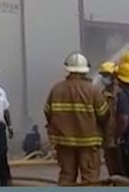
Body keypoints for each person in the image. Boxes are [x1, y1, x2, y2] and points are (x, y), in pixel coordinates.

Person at [44, 52, 109, 186]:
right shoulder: (93, 90)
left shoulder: (56, 89)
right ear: (85, 71)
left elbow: (47, 112)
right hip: (88, 142)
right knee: (89, 178)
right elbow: (104, 115)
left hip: (64, 142)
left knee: (66, 176)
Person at [98, 61, 122, 176]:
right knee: (112, 169)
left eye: (106, 75)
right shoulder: (103, 94)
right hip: (108, 138)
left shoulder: (121, 93)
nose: (104, 78)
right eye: (103, 75)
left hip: (119, 138)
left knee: (121, 168)